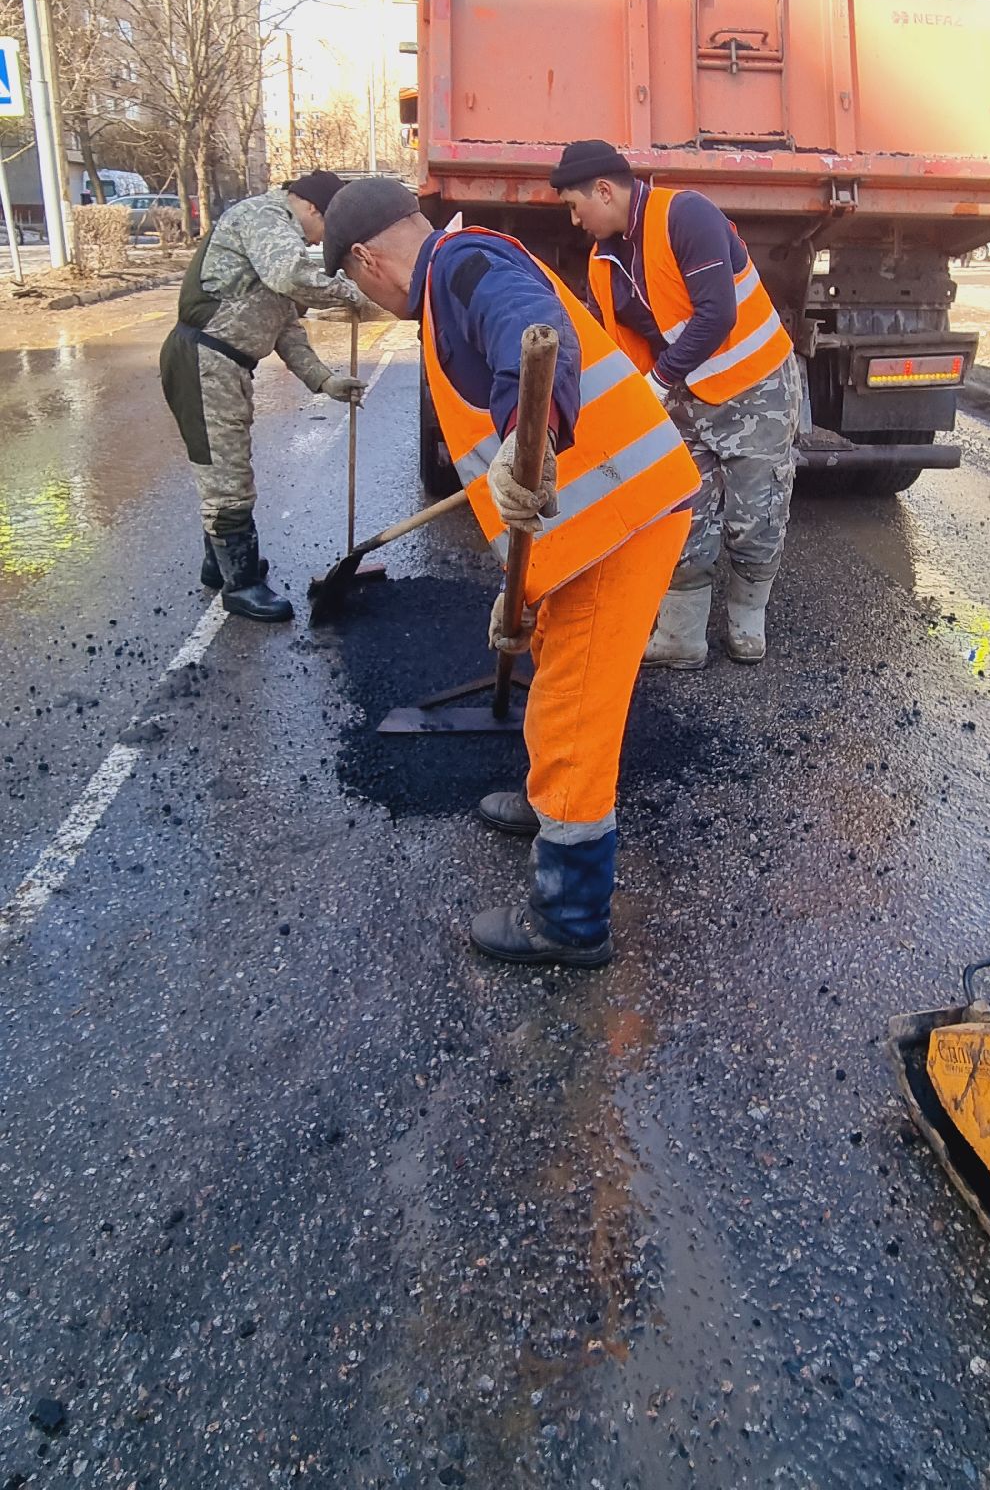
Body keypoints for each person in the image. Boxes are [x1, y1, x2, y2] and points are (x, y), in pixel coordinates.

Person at [322, 177, 699, 969]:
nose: (361, 295)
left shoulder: (464, 264)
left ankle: (570, 918)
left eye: (353, 282)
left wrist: (536, 436)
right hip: (594, 525)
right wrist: (518, 594)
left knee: (574, 714)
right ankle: (547, 804)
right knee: (557, 659)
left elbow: (533, 330)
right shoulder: (445, 285)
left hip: (621, 521)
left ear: (366, 259)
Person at [550, 139, 799, 668]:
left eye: (575, 206)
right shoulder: (603, 263)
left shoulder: (686, 215)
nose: (574, 221)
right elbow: (607, 347)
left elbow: (717, 314)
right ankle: (682, 638)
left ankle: (746, 625)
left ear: (603, 190)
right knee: (682, 514)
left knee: (755, 513)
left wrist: (659, 380)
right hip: (683, 402)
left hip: (756, 392)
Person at [159, 171, 367, 623]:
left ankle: (221, 564)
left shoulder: (277, 233)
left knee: (225, 464)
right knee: (226, 474)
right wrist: (352, 293)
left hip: (224, 363)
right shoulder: (266, 217)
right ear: (313, 207)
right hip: (204, 360)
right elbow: (291, 275)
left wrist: (325, 381)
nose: (322, 242)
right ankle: (241, 586)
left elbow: (285, 326)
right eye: (328, 228)